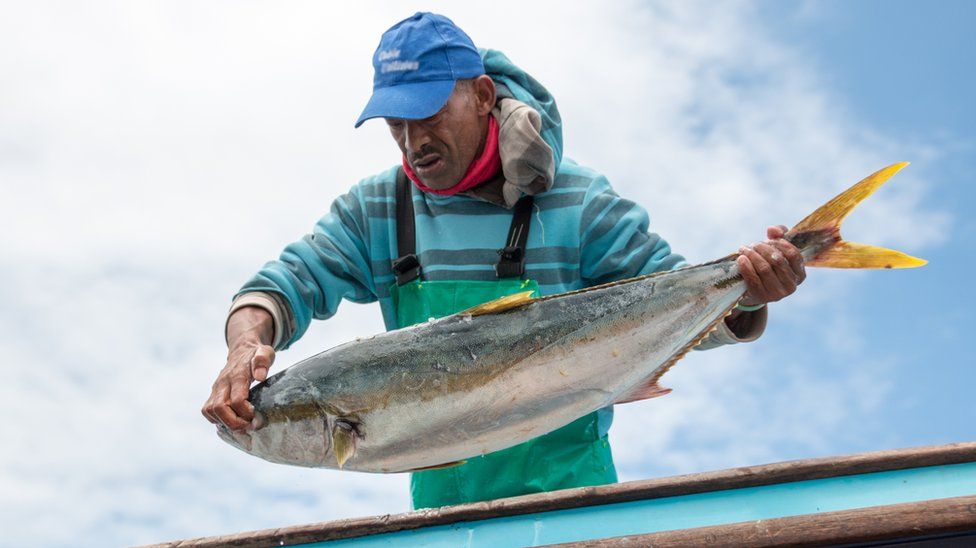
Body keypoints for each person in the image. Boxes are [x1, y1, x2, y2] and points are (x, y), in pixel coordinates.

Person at [202, 12, 806, 509]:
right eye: (396, 122)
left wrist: (748, 292)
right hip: (443, 515)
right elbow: (284, 284)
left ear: (483, 96)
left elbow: (683, 302)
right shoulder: (378, 210)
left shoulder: (580, 203)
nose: (413, 140)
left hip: (577, 507)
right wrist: (244, 344)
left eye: (429, 112)